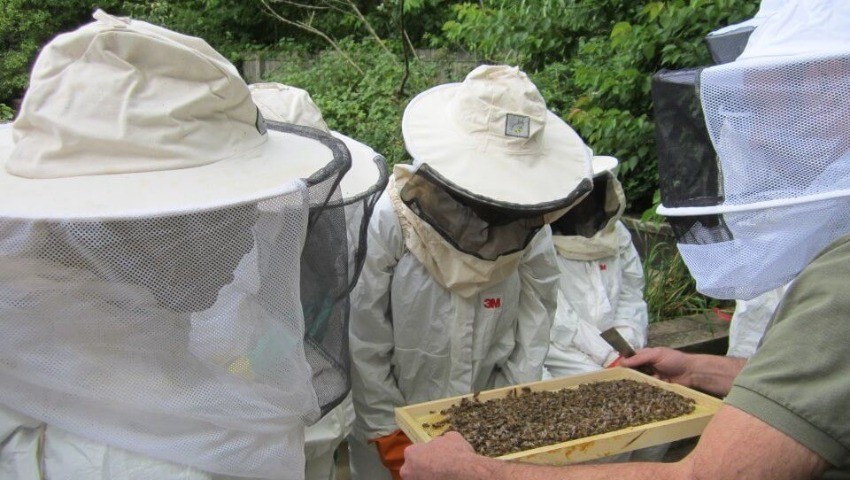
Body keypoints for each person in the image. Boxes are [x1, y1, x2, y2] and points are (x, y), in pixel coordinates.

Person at [400, 1, 850, 478]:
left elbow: (708, 475)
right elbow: (817, 391)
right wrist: (703, 370)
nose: (753, 134)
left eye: (782, 103)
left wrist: (479, 474)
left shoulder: (840, 282)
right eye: (753, 105)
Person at [0, 10, 353, 480]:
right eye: (230, 218)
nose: (247, 241)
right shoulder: (201, 454)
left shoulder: (39, 342)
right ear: (158, 232)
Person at [348, 64, 594, 480]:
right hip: (394, 420)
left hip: (486, 417)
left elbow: (537, 317)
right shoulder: (392, 216)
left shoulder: (532, 228)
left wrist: (507, 406)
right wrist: (386, 429)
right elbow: (364, 331)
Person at [248, 82, 389, 480]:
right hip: (250, 425)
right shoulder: (222, 227)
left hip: (321, 414)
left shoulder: (342, 214)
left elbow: (349, 307)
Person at [542, 154, 668, 463]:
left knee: (659, 431)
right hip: (561, 357)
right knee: (599, 443)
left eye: (590, 193)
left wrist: (628, 342)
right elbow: (554, 313)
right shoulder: (537, 243)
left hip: (619, 350)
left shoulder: (618, 234)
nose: (584, 204)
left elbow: (631, 293)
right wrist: (609, 357)